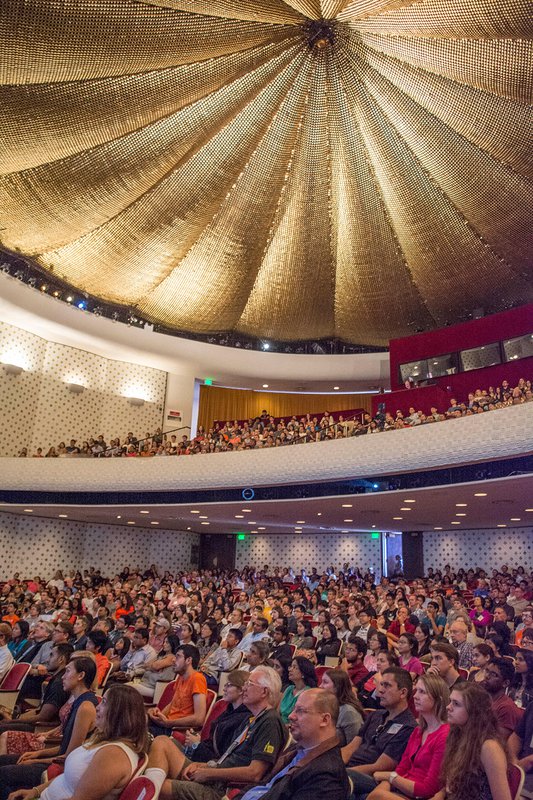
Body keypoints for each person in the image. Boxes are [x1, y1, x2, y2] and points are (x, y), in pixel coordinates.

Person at [143, 665, 286, 800]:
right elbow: (227, 757)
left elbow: (255, 773)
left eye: (250, 684)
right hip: (215, 774)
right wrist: (204, 765)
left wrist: (209, 773)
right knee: (161, 741)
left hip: (221, 788)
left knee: (155, 787)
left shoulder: (270, 722)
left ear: (264, 692)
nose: (244, 689)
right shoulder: (253, 718)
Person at [10, 683, 148, 800]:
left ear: (120, 713)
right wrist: (35, 791)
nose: (98, 707)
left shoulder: (114, 755)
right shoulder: (104, 739)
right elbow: (68, 778)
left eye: (104, 702)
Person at [0, 656, 98, 800]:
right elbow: (66, 745)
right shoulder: (78, 702)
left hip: (61, 768)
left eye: (68, 672)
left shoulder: (86, 706)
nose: (63, 677)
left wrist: (36, 761)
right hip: (57, 758)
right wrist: (38, 754)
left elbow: (69, 756)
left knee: (3, 773)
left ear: (81, 676)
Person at [239, 688, 350, 800]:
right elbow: (263, 784)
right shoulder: (297, 750)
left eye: (300, 711)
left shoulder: (326, 776)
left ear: (324, 720)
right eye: (293, 710)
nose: (291, 716)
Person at [366, 673, 449, 800]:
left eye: (422, 692)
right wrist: (387, 783)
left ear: (438, 699)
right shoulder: (418, 731)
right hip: (402, 788)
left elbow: (428, 789)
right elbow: (401, 769)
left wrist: (389, 778)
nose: (415, 696)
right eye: (416, 691)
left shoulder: (444, 735)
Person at [343, 667, 416, 800]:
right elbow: (351, 748)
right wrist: (332, 763)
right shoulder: (375, 715)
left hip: (372, 778)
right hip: (350, 770)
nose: (380, 690)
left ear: (403, 692)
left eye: (387, 685)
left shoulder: (408, 727)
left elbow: (380, 767)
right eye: (381, 684)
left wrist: (340, 772)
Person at [437, 682, 512, 800]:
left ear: (474, 711)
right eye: (450, 701)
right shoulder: (458, 734)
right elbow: (452, 786)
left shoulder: (489, 747)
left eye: (456, 704)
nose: (448, 707)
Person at [183, 671, 250, 764]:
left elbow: (222, 758)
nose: (224, 689)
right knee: (164, 742)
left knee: (163, 743)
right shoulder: (229, 712)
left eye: (229, 685)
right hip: (201, 757)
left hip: (208, 767)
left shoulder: (243, 718)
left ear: (241, 690)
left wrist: (196, 745)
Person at [147, 644, 207, 737]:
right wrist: (158, 715)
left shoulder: (197, 679)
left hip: (175, 729)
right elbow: (173, 703)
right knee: (135, 720)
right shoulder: (181, 677)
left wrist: (169, 722)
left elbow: (199, 719)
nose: (173, 660)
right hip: (167, 725)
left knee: (135, 731)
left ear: (188, 660)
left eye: (178, 656)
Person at [128, 634, 179, 699]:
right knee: (123, 687)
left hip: (157, 688)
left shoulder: (172, 657)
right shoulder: (161, 656)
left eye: (167, 642)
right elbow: (146, 665)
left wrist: (153, 667)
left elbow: (155, 666)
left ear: (173, 644)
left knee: (126, 688)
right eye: (164, 642)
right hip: (147, 683)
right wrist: (154, 668)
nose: (164, 644)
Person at [482, 658, 523, 739]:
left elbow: (499, 742)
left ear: (505, 683)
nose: (487, 676)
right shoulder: (483, 699)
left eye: (493, 675)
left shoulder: (506, 708)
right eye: (487, 671)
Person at [320, 668, 364, 746]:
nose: (320, 686)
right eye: (321, 682)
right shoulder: (326, 706)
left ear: (337, 687)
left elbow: (354, 747)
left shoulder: (348, 712)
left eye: (325, 682)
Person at [279, 657, 317, 724]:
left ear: (303, 673)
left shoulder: (308, 693)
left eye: (294, 667)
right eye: (290, 666)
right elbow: (278, 712)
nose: (290, 670)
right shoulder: (289, 689)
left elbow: (300, 721)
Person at [508, 700, 533, 799]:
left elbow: (529, 762)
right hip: (519, 772)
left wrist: (524, 763)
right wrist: (513, 760)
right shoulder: (532, 706)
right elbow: (516, 737)